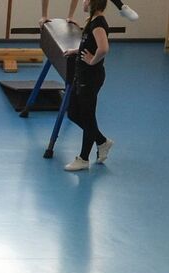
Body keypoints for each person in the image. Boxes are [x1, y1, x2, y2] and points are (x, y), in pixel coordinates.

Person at [63, 0, 114, 172]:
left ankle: (84, 159)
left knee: (88, 117)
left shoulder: (98, 24)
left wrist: (92, 61)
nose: (83, 2)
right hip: (82, 75)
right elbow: (90, 44)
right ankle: (102, 141)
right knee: (73, 112)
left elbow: (103, 48)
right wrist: (77, 51)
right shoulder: (91, 20)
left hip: (91, 77)